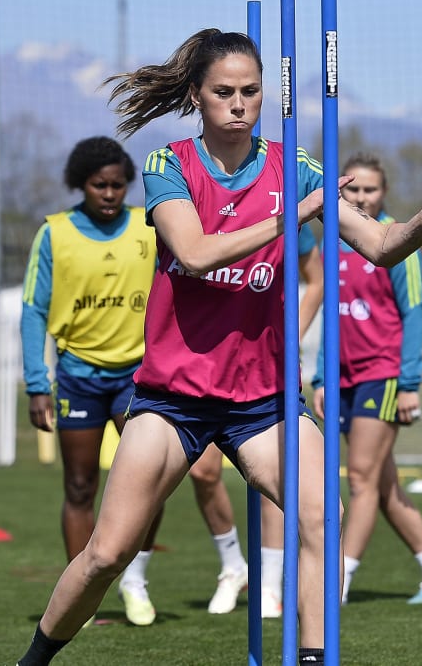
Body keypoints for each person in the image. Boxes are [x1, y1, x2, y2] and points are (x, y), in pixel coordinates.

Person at [14, 28, 422, 666]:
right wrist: (294, 214)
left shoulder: (296, 168)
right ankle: (36, 659)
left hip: (261, 401)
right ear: (197, 96)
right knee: (106, 553)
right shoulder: (169, 165)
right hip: (171, 399)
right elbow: (195, 252)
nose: (239, 103)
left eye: (251, 91)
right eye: (223, 92)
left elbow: (380, 247)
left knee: (321, 517)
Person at [21, 136, 259, 625]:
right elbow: (32, 311)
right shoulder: (55, 233)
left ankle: (135, 580)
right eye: (98, 185)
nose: (109, 194)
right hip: (79, 377)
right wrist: (35, 382)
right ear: (80, 185)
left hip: (140, 377)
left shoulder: (149, 222)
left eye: (117, 185)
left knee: (149, 486)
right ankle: (81, 607)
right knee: (80, 486)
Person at [310, 153, 422, 606]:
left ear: (384, 192)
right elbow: (328, 318)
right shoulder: (331, 242)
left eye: (369, 189)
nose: (360, 197)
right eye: (351, 190)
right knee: (383, 482)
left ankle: (341, 577)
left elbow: (413, 315)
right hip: (341, 380)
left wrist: (410, 383)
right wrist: (319, 376)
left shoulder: (394, 243)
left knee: (360, 478)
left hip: (383, 375)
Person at [188, 225, 323, 617]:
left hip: (267, 365)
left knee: (276, 477)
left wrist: (291, 336)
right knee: (203, 473)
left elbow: (315, 281)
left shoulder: (283, 206)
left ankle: (267, 583)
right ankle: (233, 566)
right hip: (206, 365)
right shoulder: (194, 203)